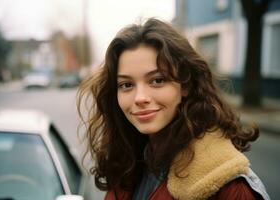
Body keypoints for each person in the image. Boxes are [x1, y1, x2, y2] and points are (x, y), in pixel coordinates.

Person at [77, 18, 270, 200]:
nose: (140, 98)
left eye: (157, 80)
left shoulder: (229, 186)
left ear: (185, 85)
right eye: (126, 85)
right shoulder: (129, 160)